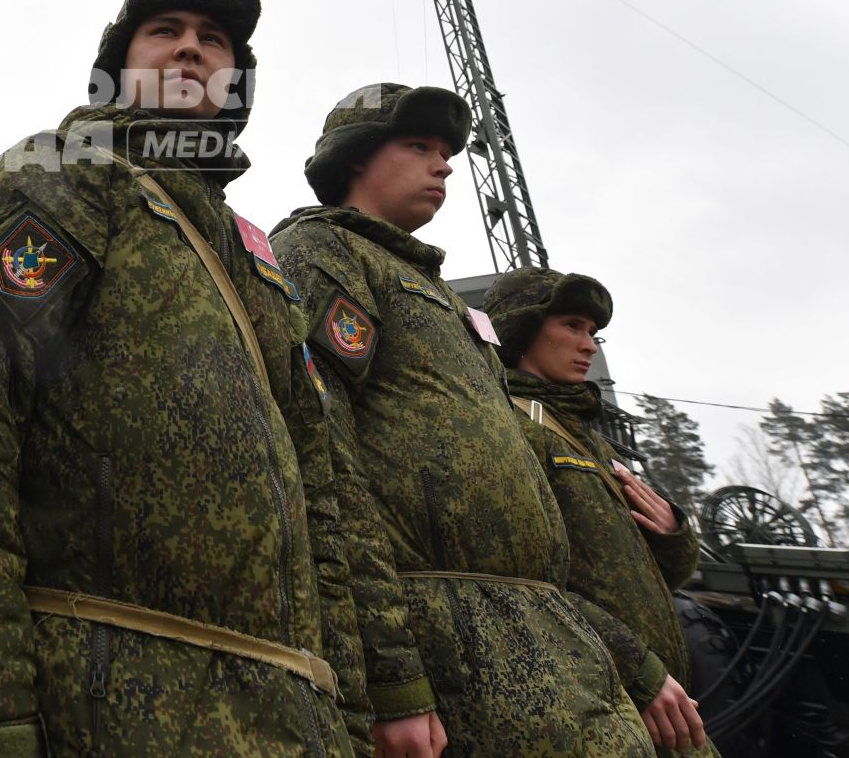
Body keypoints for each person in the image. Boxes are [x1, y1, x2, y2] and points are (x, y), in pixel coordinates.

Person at [0, 0, 370, 757]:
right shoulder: (63, 179)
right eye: (165, 32)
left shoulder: (258, 260)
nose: (190, 50)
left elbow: (320, 501)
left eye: (214, 41)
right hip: (101, 706)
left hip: (287, 717)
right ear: (116, 67)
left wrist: (349, 715)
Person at [271, 83, 651, 758]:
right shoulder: (325, 251)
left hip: (535, 624)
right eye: (419, 146)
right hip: (445, 630)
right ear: (356, 158)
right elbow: (324, 454)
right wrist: (392, 673)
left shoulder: (444, 301)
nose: (443, 164)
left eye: (447, 151)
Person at [485, 268, 715, 756]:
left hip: (653, 704)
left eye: (594, 332)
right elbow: (524, 583)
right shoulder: (512, 427)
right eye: (572, 326)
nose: (588, 345)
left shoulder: (588, 437)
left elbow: (658, 579)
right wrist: (638, 668)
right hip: (590, 699)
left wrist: (674, 535)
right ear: (523, 329)